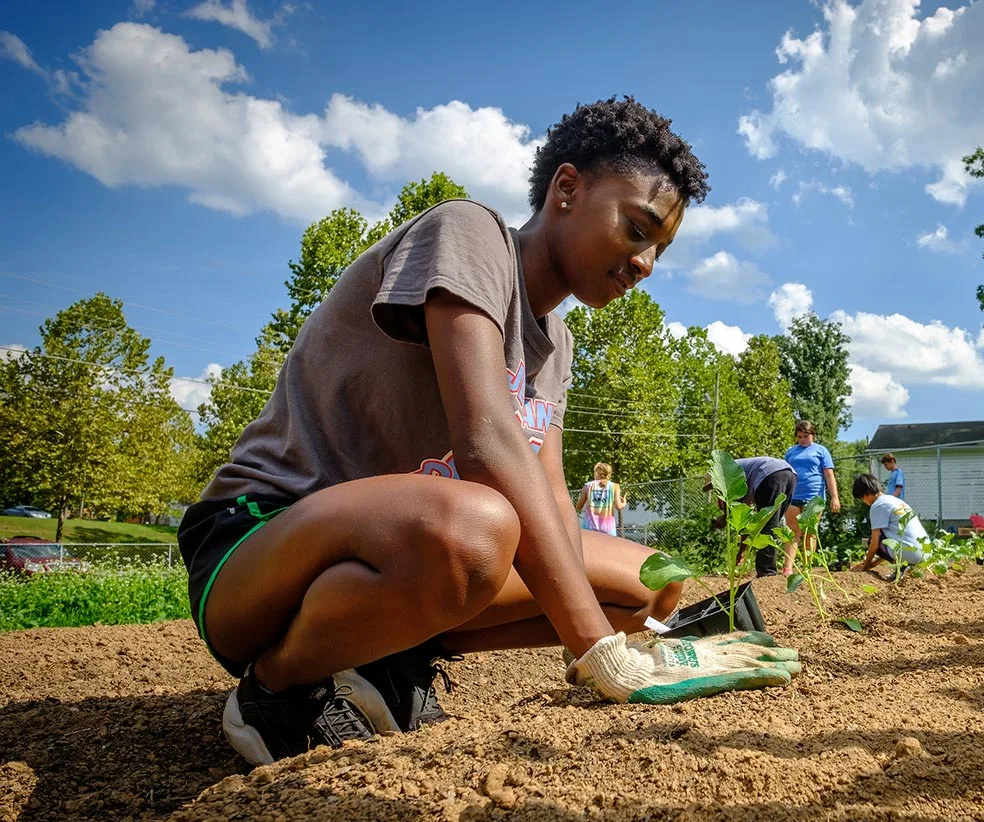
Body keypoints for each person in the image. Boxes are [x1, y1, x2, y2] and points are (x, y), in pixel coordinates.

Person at [177, 98, 802, 766]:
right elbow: (485, 441)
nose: (646, 262)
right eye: (637, 228)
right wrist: (599, 648)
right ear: (567, 189)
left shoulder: (556, 344)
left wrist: (647, 637)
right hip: (257, 545)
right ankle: (280, 688)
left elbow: (553, 497)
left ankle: (383, 660)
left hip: (397, 554)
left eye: (660, 249)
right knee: (478, 528)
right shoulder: (469, 233)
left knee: (651, 580)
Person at [781, 420, 841, 575]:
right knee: (793, 531)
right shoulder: (791, 452)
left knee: (810, 532)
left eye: (805, 436)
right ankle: (788, 567)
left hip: (814, 497)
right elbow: (785, 474)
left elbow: (829, 475)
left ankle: (807, 567)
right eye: (799, 436)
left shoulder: (821, 451)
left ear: (813, 435)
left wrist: (835, 497)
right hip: (793, 496)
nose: (802, 439)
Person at [851, 474, 927, 580]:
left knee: (872, 539)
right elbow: (889, 544)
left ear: (866, 493)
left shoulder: (878, 505)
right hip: (925, 553)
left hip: (911, 554)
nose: (864, 501)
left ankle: (905, 567)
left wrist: (865, 566)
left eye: (862, 498)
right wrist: (873, 564)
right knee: (884, 539)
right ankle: (907, 567)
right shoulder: (895, 500)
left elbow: (874, 544)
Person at [733, 456, 797, 577]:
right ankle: (768, 569)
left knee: (768, 525)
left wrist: (741, 550)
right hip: (790, 474)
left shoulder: (728, 475)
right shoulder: (744, 469)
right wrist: (742, 550)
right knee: (773, 523)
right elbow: (746, 519)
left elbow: (743, 519)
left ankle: (767, 572)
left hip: (770, 475)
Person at [575, 462, 626, 536]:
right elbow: (618, 506)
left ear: (597, 473)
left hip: (589, 527)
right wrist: (624, 503)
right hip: (608, 528)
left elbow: (578, 507)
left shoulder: (588, 486)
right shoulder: (614, 486)